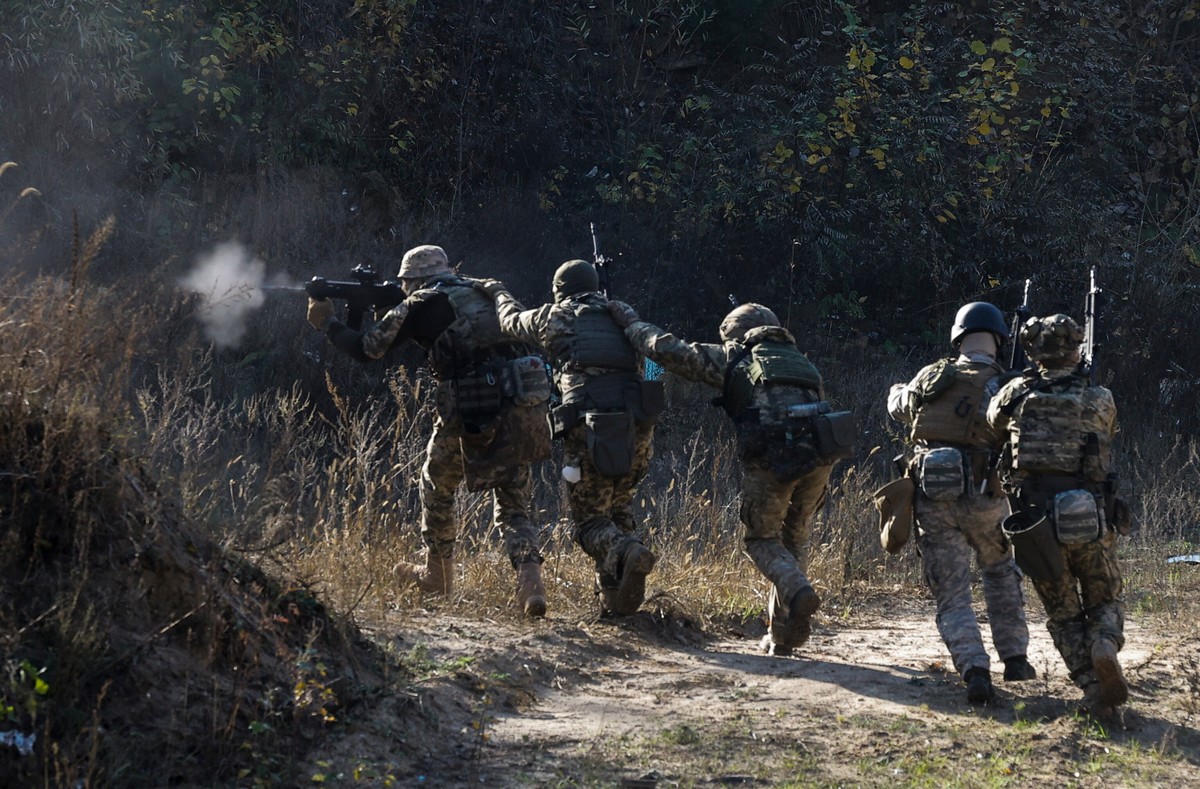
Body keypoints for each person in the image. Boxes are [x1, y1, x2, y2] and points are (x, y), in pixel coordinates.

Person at [306, 244, 552, 618]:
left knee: (436, 485)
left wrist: (328, 322)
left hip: (471, 407)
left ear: (413, 281)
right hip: (522, 402)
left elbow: (366, 349)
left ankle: (436, 575)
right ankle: (531, 584)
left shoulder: (419, 302)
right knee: (513, 501)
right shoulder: (482, 290)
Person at [606, 300, 853, 655]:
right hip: (821, 454)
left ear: (733, 334)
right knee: (794, 539)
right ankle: (784, 632)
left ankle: (797, 588)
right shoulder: (802, 361)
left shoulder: (736, 357)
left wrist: (631, 324)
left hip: (773, 455)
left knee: (761, 539)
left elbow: (666, 350)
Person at [477, 260, 663, 616]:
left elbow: (510, 322)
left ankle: (626, 552)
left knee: (590, 522)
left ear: (559, 289)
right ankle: (616, 600)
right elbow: (656, 361)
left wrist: (498, 292)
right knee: (619, 509)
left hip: (590, 431)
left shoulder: (555, 317)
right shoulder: (624, 315)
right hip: (636, 431)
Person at [886, 302, 1035, 704]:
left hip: (934, 496)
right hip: (987, 496)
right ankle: (1016, 657)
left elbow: (898, 405)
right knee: (1001, 572)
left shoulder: (932, 376)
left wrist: (900, 390)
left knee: (952, 592)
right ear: (1000, 340)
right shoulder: (1005, 383)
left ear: (957, 337)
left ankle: (974, 669)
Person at [987, 313, 1131, 716]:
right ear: (1076, 349)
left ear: (1034, 351)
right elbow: (1108, 430)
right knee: (1105, 598)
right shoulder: (1099, 396)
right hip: (1090, 514)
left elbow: (991, 423)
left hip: (1036, 521)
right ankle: (1105, 643)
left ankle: (1091, 687)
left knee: (1063, 613)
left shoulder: (1016, 393)